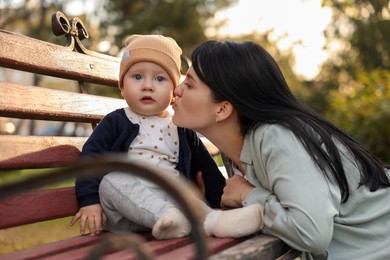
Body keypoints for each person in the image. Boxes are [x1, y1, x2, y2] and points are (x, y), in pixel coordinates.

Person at [171, 39, 390, 259]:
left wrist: (249, 195)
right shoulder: (237, 152)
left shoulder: (277, 136)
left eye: (189, 84)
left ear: (223, 109)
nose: (177, 89)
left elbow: (311, 233)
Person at [70, 35, 263, 240]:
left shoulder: (182, 129)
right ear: (122, 87)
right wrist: (89, 200)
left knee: (182, 191)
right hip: (124, 208)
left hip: (174, 203)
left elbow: (207, 169)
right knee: (113, 180)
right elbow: (91, 158)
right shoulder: (116, 122)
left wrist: (221, 203)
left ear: (174, 92)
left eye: (159, 79)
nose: (147, 86)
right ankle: (171, 218)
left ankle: (217, 222)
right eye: (137, 77)